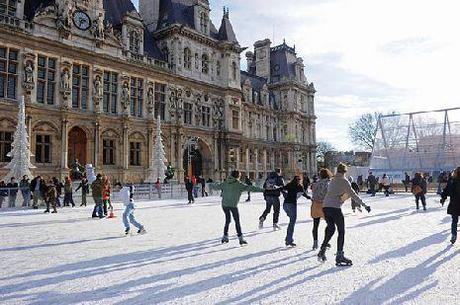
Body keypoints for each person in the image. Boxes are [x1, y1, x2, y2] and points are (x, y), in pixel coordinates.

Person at [318, 163, 371, 266]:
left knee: (331, 228)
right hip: (335, 208)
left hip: (326, 207)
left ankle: (322, 249)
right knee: (341, 231)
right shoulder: (344, 181)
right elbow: (353, 195)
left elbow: (325, 192)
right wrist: (364, 205)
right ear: (345, 172)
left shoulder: (332, 180)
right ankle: (339, 255)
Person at [212, 170, 264, 245]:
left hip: (225, 204)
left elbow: (217, 187)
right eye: (239, 176)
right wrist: (263, 190)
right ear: (238, 176)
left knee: (228, 220)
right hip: (233, 205)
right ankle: (240, 238)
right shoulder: (238, 184)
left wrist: (212, 185)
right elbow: (250, 188)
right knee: (237, 221)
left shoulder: (226, 182)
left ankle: (225, 236)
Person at [281, 175, 311, 247]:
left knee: (291, 218)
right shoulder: (299, 186)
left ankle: (288, 239)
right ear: (299, 180)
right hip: (292, 205)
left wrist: (285, 194)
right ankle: (288, 240)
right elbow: (305, 194)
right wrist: (310, 198)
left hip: (285, 205)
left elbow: (281, 189)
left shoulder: (289, 184)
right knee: (292, 222)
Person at [311, 168, 333, 250]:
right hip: (324, 206)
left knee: (315, 225)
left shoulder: (315, 183)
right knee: (330, 225)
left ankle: (315, 242)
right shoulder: (328, 183)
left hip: (314, 205)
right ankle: (325, 242)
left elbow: (313, 192)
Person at [441, 167, 460, 244]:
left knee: (454, 221)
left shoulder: (452, 180)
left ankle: (454, 235)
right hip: (455, 203)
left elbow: (447, 190)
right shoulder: (452, 180)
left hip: (454, 203)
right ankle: (453, 235)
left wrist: (443, 198)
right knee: (454, 221)